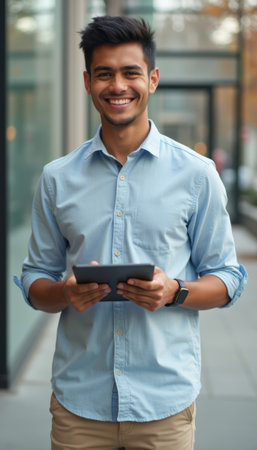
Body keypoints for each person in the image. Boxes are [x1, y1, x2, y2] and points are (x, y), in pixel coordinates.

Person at [16, 15, 247, 450]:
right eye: (104, 74)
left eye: (130, 73)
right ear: (87, 82)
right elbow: (34, 282)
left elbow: (228, 279)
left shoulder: (198, 175)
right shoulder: (56, 178)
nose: (117, 85)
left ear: (153, 79)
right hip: (79, 407)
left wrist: (174, 290)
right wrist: (65, 293)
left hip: (164, 407)